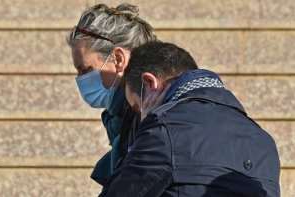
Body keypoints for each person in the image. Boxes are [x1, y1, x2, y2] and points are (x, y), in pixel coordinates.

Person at [99, 41, 280, 197]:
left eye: (137, 108)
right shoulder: (263, 141)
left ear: (150, 83)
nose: (139, 119)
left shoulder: (163, 131)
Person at [66, 3, 157, 186]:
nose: (80, 80)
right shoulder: (123, 118)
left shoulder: (150, 117)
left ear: (118, 59)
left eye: (85, 70)